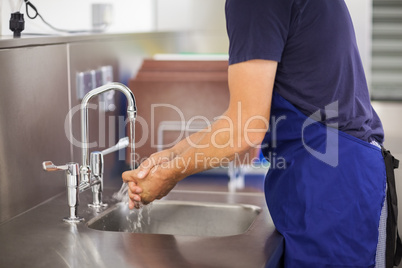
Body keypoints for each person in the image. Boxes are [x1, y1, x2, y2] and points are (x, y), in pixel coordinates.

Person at [123, 0, 401, 267]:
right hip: (329, 179)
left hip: (334, 190)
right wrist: (170, 157)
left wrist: (170, 174)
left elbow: (244, 129)